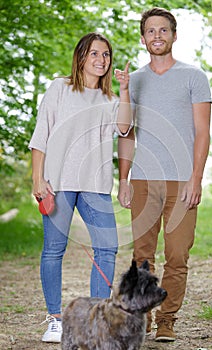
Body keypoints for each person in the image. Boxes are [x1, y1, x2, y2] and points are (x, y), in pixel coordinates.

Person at [29, 32, 132, 343]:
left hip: (95, 185)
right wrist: (38, 177)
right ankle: (55, 320)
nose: (101, 60)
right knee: (53, 251)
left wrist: (125, 90)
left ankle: (97, 320)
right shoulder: (59, 88)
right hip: (57, 182)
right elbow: (41, 134)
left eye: (106, 55)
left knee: (107, 248)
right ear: (81, 57)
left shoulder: (112, 99)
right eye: (94, 54)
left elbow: (124, 128)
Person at [118, 7, 211, 342]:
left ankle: (167, 320)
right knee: (142, 256)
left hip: (182, 180)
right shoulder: (135, 81)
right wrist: (124, 180)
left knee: (176, 255)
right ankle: (141, 318)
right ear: (143, 38)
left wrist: (196, 178)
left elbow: (202, 132)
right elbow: (125, 132)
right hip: (144, 179)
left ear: (174, 35)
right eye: (151, 31)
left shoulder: (193, 76)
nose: (157, 36)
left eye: (163, 30)